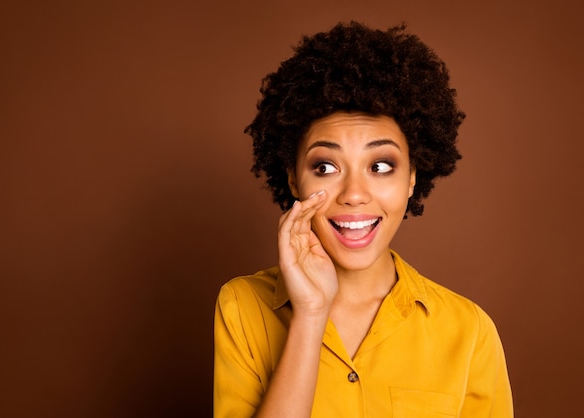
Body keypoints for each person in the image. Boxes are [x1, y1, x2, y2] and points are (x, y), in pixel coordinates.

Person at [214, 21, 513, 417]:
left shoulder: (470, 332)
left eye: (381, 165)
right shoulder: (242, 307)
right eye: (325, 167)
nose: (354, 194)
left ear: (412, 178)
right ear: (292, 179)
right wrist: (310, 314)